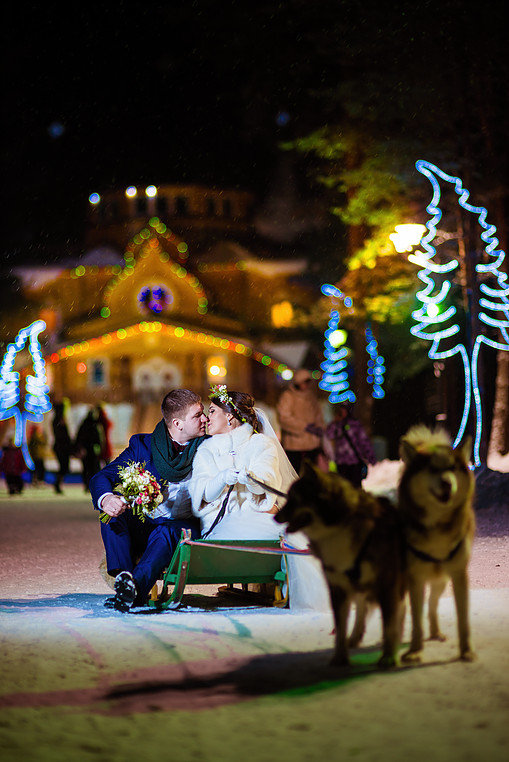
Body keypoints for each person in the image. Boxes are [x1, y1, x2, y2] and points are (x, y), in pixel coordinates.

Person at [189, 386, 330, 611]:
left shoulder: (261, 444)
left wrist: (248, 477)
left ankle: (302, 589)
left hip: (251, 516)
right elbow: (204, 492)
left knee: (293, 532)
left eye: (213, 411)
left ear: (229, 416)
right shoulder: (207, 449)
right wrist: (223, 478)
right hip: (220, 522)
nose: (207, 418)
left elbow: (267, 482)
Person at [89, 388, 209, 612]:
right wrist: (107, 499)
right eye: (197, 415)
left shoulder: (209, 447)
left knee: (166, 531)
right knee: (110, 517)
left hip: (180, 526)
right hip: (146, 525)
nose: (205, 419)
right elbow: (102, 476)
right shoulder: (143, 446)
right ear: (177, 423)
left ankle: (135, 587)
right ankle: (124, 579)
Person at [308, 403, 376, 488]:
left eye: (344, 409)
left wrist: (370, 456)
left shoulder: (355, 424)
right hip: (341, 462)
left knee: (355, 485)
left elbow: (364, 441)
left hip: (354, 462)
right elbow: (327, 434)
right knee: (344, 485)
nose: (342, 412)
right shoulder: (336, 425)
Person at [276, 368, 324, 474]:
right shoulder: (288, 396)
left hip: (312, 444)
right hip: (294, 445)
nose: (306, 385)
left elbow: (318, 415)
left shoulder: (311, 397)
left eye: (307, 382)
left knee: (312, 474)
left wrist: (319, 428)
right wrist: (304, 427)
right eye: (304, 382)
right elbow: (284, 417)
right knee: (294, 473)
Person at [74, 407, 103, 492]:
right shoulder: (94, 425)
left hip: (86, 451)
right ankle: (92, 485)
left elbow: (79, 438)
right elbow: (98, 438)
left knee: (86, 469)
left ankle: (87, 485)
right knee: (93, 469)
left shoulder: (84, 425)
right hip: (91, 451)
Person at [52, 400, 72, 494]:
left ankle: (57, 484)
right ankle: (57, 484)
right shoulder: (59, 420)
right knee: (64, 466)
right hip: (62, 447)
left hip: (61, 446)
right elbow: (63, 436)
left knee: (64, 467)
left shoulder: (56, 420)